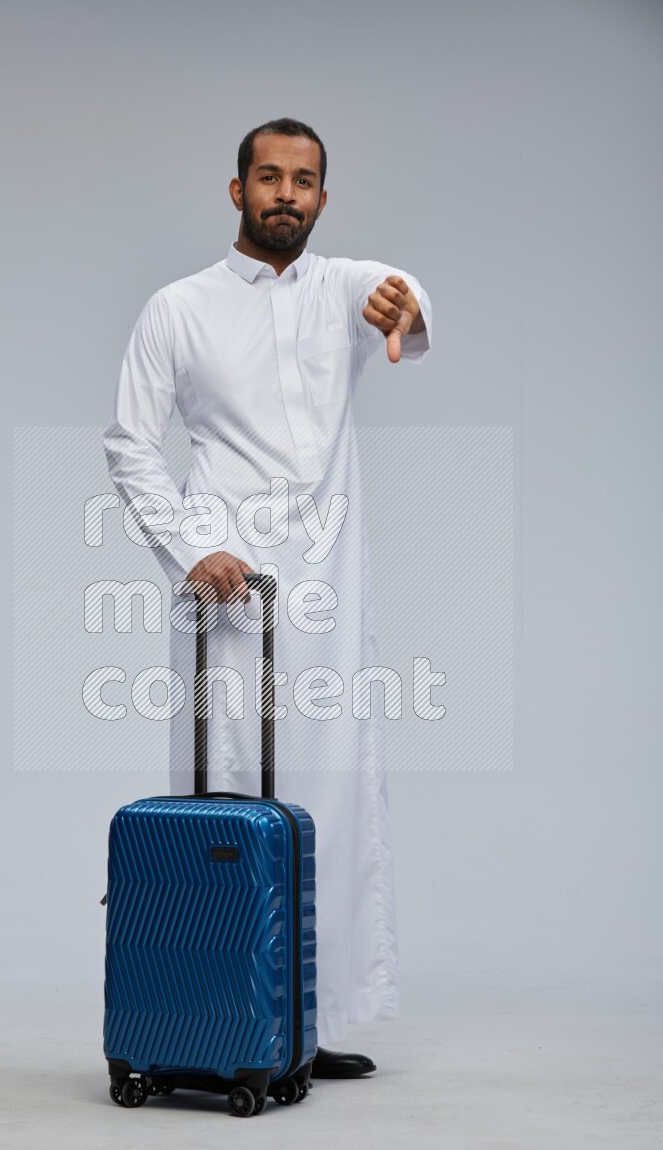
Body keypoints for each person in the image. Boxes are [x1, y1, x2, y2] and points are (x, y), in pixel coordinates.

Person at [103, 117, 432, 1080]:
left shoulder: (342, 291)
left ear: (323, 197)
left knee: (330, 788)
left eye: (305, 180)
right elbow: (129, 441)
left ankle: (300, 1022)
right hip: (225, 585)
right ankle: (216, 1019)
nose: (286, 193)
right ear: (237, 188)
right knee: (227, 786)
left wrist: (405, 304)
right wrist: (191, 547)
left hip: (326, 582)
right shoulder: (179, 307)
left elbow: (405, 295)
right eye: (269, 177)